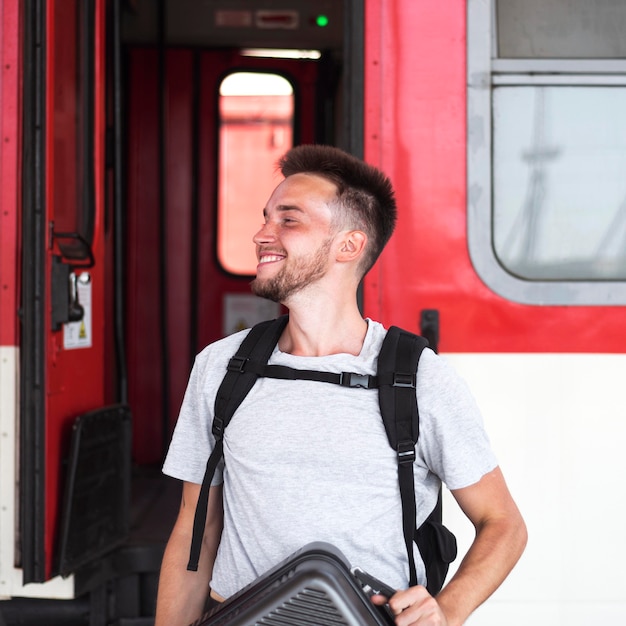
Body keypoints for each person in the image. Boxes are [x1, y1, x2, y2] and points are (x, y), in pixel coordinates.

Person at [155, 145, 527, 626]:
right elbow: (197, 531)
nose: (261, 234)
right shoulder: (221, 367)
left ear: (347, 246)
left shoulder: (419, 379)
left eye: (288, 220)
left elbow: (503, 524)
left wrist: (448, 610)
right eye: (266, 217)